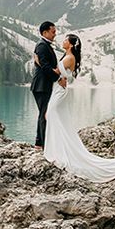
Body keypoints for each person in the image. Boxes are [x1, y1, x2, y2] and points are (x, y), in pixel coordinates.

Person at [43, 33, 115, 182]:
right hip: (58, 89)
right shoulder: (67, 56)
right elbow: (60, 74)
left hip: (59, 91)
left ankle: (59, 151)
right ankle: (57, 149)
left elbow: (56, 72)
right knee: (54, 117)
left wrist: (41, 64)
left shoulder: (69, 58)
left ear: (70, 44)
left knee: (52, 115)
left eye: (65, 40)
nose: (62, 41)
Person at [30, 21, 67, 149]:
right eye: (53, 32)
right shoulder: (42, 46)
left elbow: (45, 65)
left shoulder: (44, 45)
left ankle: (39, 143)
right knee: (45, 114)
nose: (55, 34)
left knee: (43, 113)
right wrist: (58, 78)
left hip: (43, 85)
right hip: (41, 86)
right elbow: (45, 66)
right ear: (44, 32)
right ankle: (44, 145)